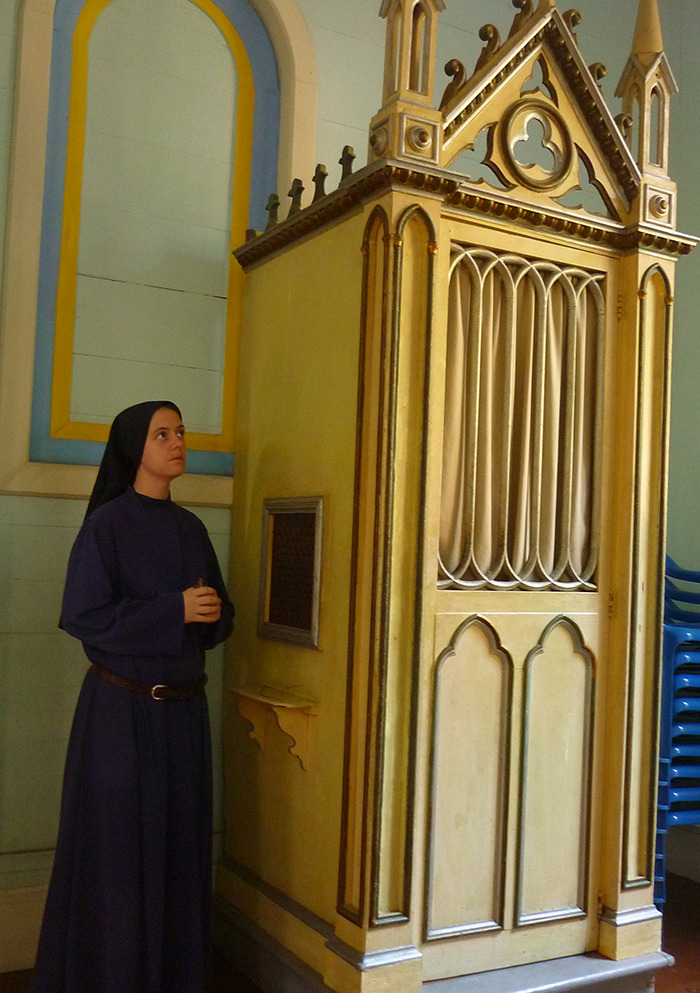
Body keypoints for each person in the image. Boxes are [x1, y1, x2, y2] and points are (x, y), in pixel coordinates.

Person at [31, 400, 234, 993]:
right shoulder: (107, 526)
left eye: (180, 431)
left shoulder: (192, 529)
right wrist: (174, 610)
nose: (177, 442)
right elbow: (84, 615)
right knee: (118, 856)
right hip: (119, 718)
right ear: (134, 449)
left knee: (178, 851)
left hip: (184, 720)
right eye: (161, 433)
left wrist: (210, 614)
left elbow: (217, 617)